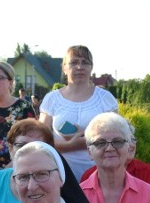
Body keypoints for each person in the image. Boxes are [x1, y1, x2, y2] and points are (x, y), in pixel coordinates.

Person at [39, 45, 119, 180]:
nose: (79, 67)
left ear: (91, 67)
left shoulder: (105, 99)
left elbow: (117, 137)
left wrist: (90, 139)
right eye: (74, 62)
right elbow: (41, 139)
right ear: (64, 68)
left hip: (100, 174)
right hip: (59, 175)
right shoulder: (51, 99)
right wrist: (69, 146)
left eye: (85, 62)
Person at [79, 122, 150, 198]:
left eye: (133, 140)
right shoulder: (88, 176)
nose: (132, 145)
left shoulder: (146, 171)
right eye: (102, 143)